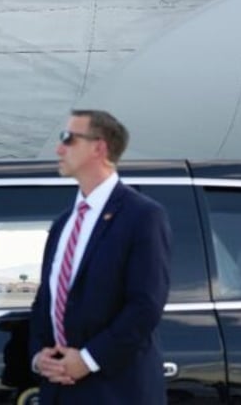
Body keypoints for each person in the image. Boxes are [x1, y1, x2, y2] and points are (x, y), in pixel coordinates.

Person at [28, 109, 172, 404]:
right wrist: (40, 355)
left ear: (100, 147)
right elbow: (47, 299)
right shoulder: (62, 224)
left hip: (115, 389)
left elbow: (145, 304)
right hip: (59, 389)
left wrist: (89, 360)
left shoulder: (142, 216)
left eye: (68, 139)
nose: (58, 148)